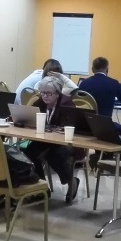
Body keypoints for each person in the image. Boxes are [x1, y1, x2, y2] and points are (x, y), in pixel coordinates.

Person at [22, 76, 80, 204]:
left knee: (54, 154)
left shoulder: (66, 104)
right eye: (42, 92)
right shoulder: (41, 102)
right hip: (45, 140)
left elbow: (68, 127)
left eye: (49, 93)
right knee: (28, 152)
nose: (45, 96)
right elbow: (29, 115)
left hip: (67, 142)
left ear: (57, 93)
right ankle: (41, 188)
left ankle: (72, 181)